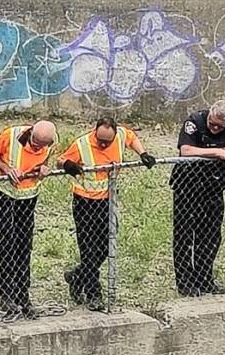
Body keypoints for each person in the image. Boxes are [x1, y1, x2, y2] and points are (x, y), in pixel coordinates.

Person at [57, 118, 153, 311]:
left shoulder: (120, 136)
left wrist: (143, 153)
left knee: (106, 246)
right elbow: (60, 160)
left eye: (106, 142)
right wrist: (68, 164)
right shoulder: (82, 143)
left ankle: (78, 275)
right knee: (88, 249)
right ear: (95, 131)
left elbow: (132, 137)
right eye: (99, 140)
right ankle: (94, 294)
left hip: (108, 200)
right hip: (84, 202)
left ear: (114, 135)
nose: (102, 144)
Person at [170, 102, 225, 297]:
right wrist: (217, 152)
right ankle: (185, 283)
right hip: (188, 187)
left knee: (210, 236)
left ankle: (204, 279)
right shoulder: (195, 121)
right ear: (209, 115)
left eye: (220, 126)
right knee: (185, 236)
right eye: (212, 123)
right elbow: (186, 150)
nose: (215, 128)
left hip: (214, 188)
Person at [0, 118, 57, 317]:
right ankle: (7, 295)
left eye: (41, 145)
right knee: (8, 244)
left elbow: (45, 160)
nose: (36, 147)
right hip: (4, 195)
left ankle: (23, 296)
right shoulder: (11, 134)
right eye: (34, 142)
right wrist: (7, 169)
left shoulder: (50, 141)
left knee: (25, 246)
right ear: (31, 132)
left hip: (29, 197)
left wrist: (43, 169)